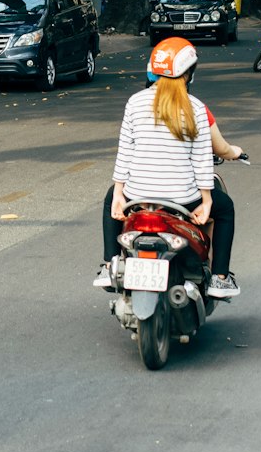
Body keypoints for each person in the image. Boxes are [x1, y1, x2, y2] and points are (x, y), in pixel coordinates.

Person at [95, 36, 239, 299]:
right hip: (182, 198)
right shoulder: (195, 107)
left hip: (137, 195)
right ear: (189, 73)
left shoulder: (135, 102)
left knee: (107, 201)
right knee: (225, 209)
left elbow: (125, 151)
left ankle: (108, 265)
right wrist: (206, 201)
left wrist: (118, 194)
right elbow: (202, 160)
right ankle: (219, 278)